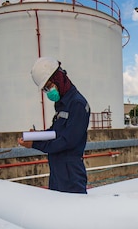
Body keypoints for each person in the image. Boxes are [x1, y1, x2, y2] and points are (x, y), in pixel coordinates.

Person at [18, 57, 91, 194]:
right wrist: (37, 135)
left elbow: (66, 141)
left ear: (58, 78)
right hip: (58, 170)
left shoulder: (78, 105)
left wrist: (34, 144)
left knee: (73, 211)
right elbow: (54, 132)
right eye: (45, 89)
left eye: (48, 86)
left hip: (71, 172)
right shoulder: (63, 105)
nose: (48, 91)